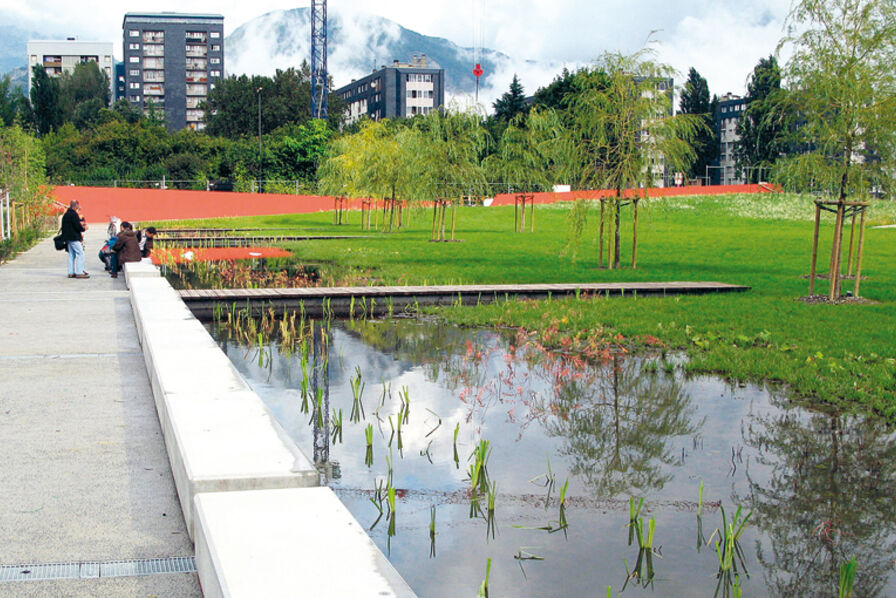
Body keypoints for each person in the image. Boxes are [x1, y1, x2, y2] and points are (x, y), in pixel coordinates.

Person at [60, 200, 88, 278]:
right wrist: (84, 228)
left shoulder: (66, 214)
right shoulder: (74, 214)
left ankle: (70, 272)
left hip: (67, 238)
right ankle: (79, 272)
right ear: (75, 206)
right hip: (74, 237)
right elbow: (77, 226)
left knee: (71, 255)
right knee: (80, 253)